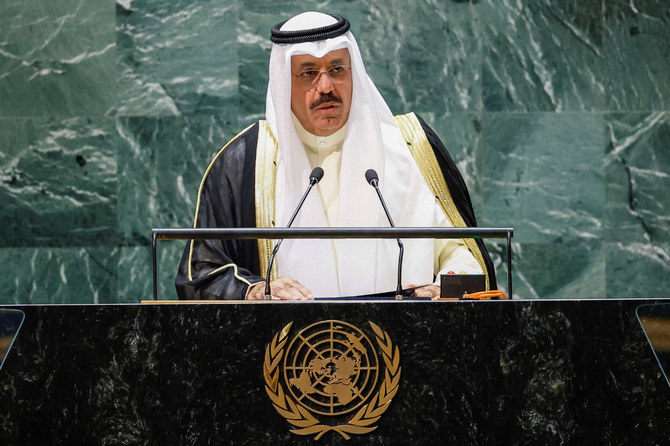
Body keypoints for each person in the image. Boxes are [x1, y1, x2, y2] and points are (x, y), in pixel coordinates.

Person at [175, 11, 496, 300]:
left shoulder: (411, 145)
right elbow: (201, 275)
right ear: (283, 82)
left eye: (337, 69)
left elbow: (467, 256)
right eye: (308, 73)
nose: (325, 85)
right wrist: (254, 291)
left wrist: (449, 287)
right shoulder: (245, 160)